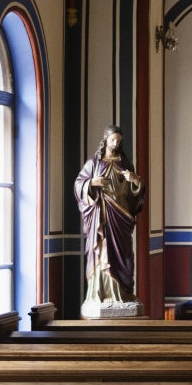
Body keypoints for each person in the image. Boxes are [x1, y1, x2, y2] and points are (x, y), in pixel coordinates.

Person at [74, 124, 146, 308]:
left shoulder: (125, 163)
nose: (116, 143)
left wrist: (135, 181)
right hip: (102, 215)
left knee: (125, 256)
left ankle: (124, 293)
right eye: (113, 139)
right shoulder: (94, 163)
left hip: (121, 216)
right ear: (105, 140)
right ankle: (101, 294)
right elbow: (78, 185)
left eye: (119, 141)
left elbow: (136, 194)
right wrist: (92, 182)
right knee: (102, 251)